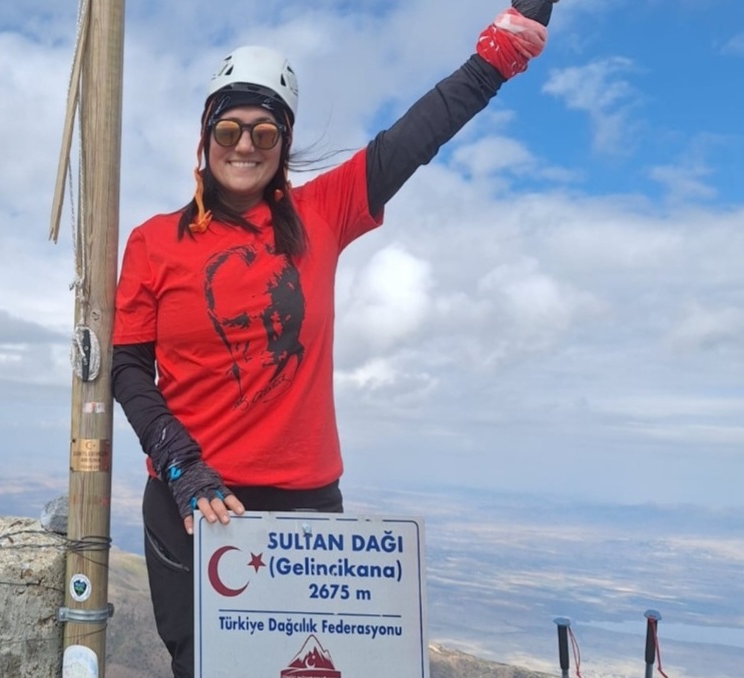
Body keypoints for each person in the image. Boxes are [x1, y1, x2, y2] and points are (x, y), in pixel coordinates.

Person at [112, 2, 559, 675]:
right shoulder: (153, 242)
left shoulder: (323, 212)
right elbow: (126, 368)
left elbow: (418, 133)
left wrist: (507, 46)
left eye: (264, 133)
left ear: (284, 144)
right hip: (190, 502)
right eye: (229, 129)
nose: (244, 146)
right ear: (205, 136)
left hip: (305, 505)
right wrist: (179, 461)